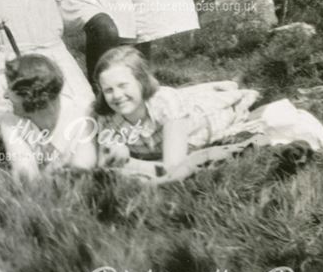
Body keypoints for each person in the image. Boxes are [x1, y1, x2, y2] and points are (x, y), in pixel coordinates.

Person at [92, 46, 259, 180]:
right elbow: (104, 161)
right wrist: (115, 150)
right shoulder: (106, 117)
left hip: (202, 121)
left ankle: (224, 88)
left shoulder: (165, 104)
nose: (117, 95)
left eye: (123, 85)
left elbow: (173, 168)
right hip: (164, 133)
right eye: (108, 90)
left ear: (141, 82)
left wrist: (127, 163)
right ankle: (211, 88)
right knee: (187, 96)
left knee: (228, 104)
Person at [0, 55, 96, 182]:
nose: (5, 95)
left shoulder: (84, 115)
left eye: (11, 89)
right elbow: (25, 176)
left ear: (30, 94)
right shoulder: (9, 121)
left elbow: (81, 174)